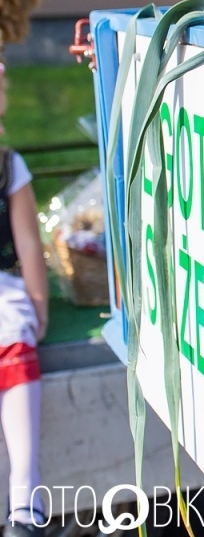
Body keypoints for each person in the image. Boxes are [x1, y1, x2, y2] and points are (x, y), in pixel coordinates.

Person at [0, 59, 47, 537]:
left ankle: (24, 500)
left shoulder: (7, 164)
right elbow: (29, 242)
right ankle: (23, 504)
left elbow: (28, 242)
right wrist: (38, 304)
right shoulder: (7, 163)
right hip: (5, 310)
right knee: (15, 353)